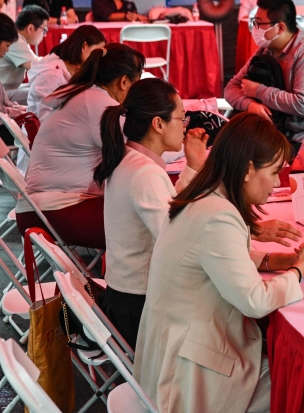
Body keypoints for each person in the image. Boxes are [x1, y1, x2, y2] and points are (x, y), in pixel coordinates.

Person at [134, 113, 304, 413]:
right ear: (249, 169)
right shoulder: (218, 215)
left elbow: (211, 258)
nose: (278, 182)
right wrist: (299, 270)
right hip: (189, 371)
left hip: (171, 351)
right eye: (274, 172)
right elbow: (254, 300)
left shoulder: (204, 197)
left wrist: (272, 261)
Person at [92, 78, 206, 348]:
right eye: (181, 118)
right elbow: (178, 240)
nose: (185, 126)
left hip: (126, 299)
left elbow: (172, 212)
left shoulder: (128, 158)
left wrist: (192, 167)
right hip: (140, 309)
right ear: (158, 124)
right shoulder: (144, 173)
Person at [16, 43, 144, 249]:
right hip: (50, 211)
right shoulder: (99, 105)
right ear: (124, 82)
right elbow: (139, 149)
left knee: (139, 210)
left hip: (41, 207)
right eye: (137, 83)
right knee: (144, 224)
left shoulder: (85, 94)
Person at [225, 0, 304, 149]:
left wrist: (258, 91)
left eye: (259, 23)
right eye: (254, 22)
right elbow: (231, 88)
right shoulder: (266, 51)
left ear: (280, 28)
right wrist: (249, 104)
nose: (254, 28)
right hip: (278, 134)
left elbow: (303, 105)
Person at [27, 25, 106, 120]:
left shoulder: (70, 70)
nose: (98, 59)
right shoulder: (51, 75)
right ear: (84, 47)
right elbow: (45, 119)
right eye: (96, 53)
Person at [0, 5, 47, 92]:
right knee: (43, 92)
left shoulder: (20, 40)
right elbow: (36, 66)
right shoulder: (15, 41)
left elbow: (36, 60)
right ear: (30, 28)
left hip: (9, 88)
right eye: (44, 30)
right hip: (4, 91)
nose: (45, 35)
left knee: (38, 89)